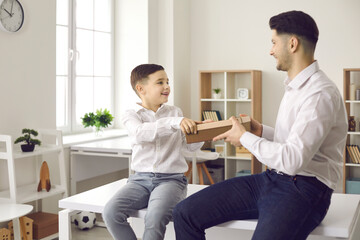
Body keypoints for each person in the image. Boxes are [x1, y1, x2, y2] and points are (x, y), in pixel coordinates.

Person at [173, 10, 348, 240]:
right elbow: (295, 141)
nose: (271, 50)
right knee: (185, 213)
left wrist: (244, 138)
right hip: (273, 178)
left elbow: (293, 160)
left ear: (292, 43)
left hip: (305, 189)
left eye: (274, 42)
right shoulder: (296, 86)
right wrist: (260, 131)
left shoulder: (320, 94)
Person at [102, 64, 204, 240]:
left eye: (167, 81)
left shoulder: (175, 112)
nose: (167, 86)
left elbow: (189, 147)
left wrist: (203, 133)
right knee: (111, 212)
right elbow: (140, 134)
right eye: (160, 82)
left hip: (171, 180)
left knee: (155, 217)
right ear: (141, 89)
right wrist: (174, 123)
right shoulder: (131, 115)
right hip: (139, 180)